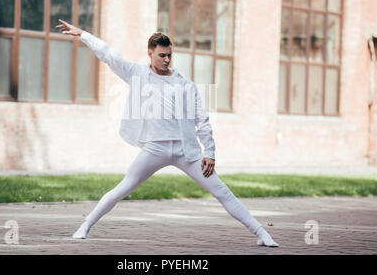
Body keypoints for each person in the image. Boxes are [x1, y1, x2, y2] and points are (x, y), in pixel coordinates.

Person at [55, 19, 279, 247]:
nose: (166, 59)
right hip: (155, 148)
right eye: (161, 55)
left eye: (169, 55)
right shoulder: (136, 73)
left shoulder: (185, 84)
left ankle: (262, 234)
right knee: (122, 189)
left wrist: (209, 152)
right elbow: (109, 54)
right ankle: (85, 226)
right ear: (150, 53)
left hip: (186, 151)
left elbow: (202, 120)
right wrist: (82, 34)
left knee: (222, 191)